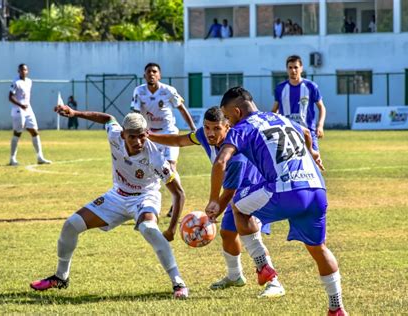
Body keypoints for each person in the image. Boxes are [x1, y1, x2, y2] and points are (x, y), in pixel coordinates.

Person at [205, 87, 347, 315]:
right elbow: (307, 133)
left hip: (286, 189)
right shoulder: (280, 118)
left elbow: (221, 161)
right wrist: (313, 154)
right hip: (316, 188)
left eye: (228, 116)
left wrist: (213, 200)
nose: (229, 122)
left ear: (237, 112)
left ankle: (264, 267)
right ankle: (336, 307)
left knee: (238, 209)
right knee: (319, 248)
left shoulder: (242, 127)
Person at [30, 105, 189, 299]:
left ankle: (178, 282)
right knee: (71, 225)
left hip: (145, 196)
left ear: (147, 133)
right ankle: (61, 278)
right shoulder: (114, 135)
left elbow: (179, 193)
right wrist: (76, 113)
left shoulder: (155, 157)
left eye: (142, 135)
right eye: (132, 136)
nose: (138, 141)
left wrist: (172, 229)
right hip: (117, 196)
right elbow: (108, 118)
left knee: (149, 228)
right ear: (123, 135)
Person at [149, 106, 279, 296]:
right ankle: (235, 276)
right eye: (207, 127)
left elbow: (228, 192)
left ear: (227, 126)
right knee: (227, 232)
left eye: (216, 128)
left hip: (255, 190)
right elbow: (179, 140)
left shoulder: (236, 155)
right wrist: (151, 136)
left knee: (250, 233)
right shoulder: (203, 134)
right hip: (237, 193)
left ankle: (274, 282)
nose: (210, 133)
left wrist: (211, 213)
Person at [130, 62, 196, 216]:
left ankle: (176, 202)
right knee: (147, 168)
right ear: (144, 75)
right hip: (150, 135)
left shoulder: (168, 91)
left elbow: (181, 108)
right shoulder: (139, 91)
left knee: (171, 166)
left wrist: (193, 128)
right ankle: (143, 204)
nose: (151, 74)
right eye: (149, 72)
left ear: (159, 75)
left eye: (154, 71)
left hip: (169, 133)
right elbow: (135, 113)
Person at [272, 55, 326, 151]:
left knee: (315, 163)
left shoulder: (311, 87)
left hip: (308, 133)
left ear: (301, 68)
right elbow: (274, 110)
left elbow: (321, 107)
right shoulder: (280, 88)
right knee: (287, 165)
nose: (293, 70)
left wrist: (320, 126)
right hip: (287, 134)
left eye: (296, 67)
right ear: (287, 69)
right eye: (290, 67)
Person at [8, 63, 51, 166]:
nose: (23, 71)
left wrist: (25, 106)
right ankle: (12, 159)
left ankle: (40, 157)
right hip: (18, 110)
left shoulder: (29, 82)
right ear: (18, 71)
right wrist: (20, 105)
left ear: (27, 71)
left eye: (25, 70)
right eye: (21, 70)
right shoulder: (15, 82)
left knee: (34, 131)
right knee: (18, 132)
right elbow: (10, 97)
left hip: (28, 109)